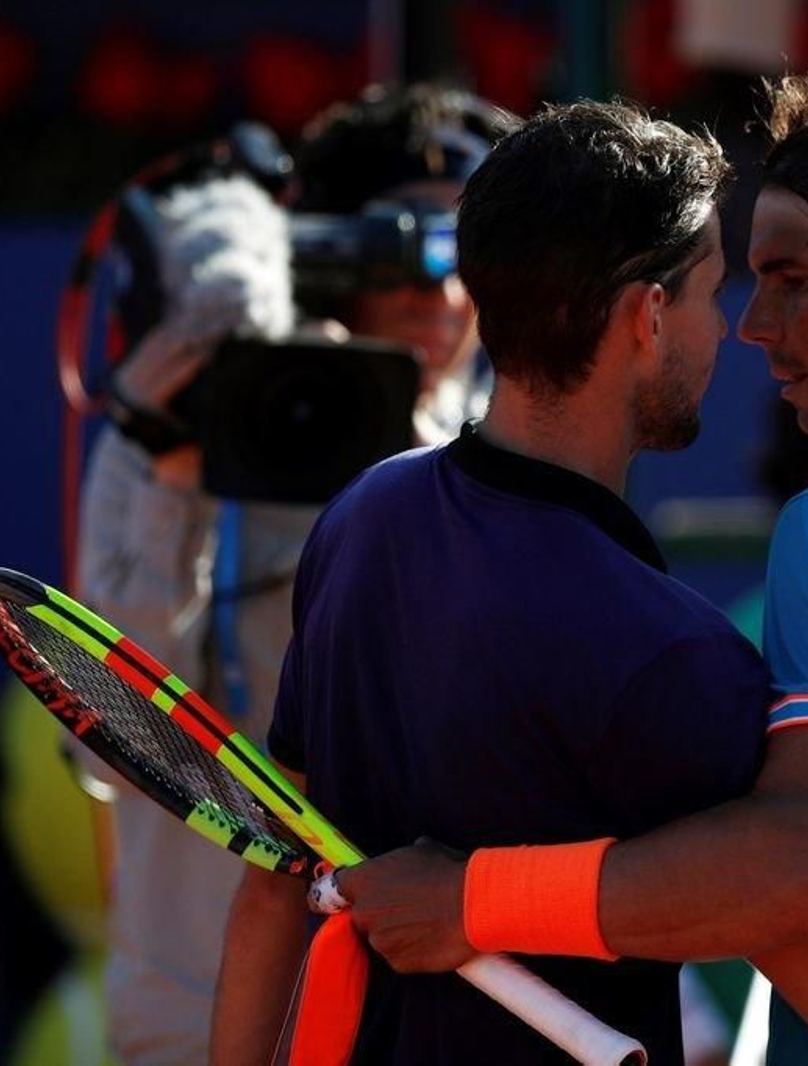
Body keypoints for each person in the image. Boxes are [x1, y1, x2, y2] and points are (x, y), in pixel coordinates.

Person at [217, 92, 808, 1066]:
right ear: (648, 317)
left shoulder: (363, 516)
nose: (748, 327)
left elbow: (270, 888)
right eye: (723, 290)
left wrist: (470, 900)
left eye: (789, 280)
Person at [74, 83, 516, 1064]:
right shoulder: (169, 434)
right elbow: (112, 752)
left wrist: (419, 474)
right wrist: (171, 471)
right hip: (200, 1018)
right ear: (318, 259)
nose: (438, 293)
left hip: (429, 1018)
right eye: (393, 249)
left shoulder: (518, 456)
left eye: (468, 254)